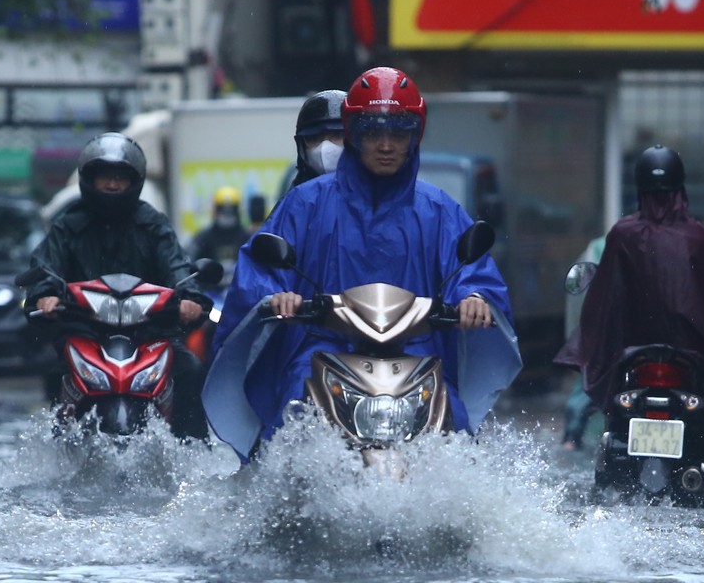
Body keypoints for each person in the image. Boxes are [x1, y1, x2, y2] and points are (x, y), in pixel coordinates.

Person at [206, 66, 515, 457]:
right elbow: (260, 268)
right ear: (353, 134)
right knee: (288, 421)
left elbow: (473, 270)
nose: (386, 145)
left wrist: (474, 297)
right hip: (319, 351)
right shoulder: (306, 202)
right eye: (373, 132)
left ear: (414, 135)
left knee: (457, 426)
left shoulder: (438, 209)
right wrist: (276, 295)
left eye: (398, 132)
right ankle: (273, 508)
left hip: (416, 354)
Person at [555, 145, 704, 421]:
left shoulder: (623, 234)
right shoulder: (701, 238)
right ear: (680, 187)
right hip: (691, 357)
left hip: (631, 354)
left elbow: (604, 301)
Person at [23, 133, 206, 327]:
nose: (112, 184)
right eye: (105, 176)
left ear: (134, 181)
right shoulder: (68, 226)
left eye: (120, 178)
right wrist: (45, 295)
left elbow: (176, 265)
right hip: (82, 331)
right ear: (90, 179)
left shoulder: (153, 224)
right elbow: (47, 266)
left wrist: (189, 297)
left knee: (187, 358)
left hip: (149, 332)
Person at [287, 89, 347, 194]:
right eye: (314, 138)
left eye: (338, 135)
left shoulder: (378, 194)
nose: (324, 148)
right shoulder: (295, 201)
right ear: (301, 147)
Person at [190, 186, 251, 270]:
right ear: (215, 210)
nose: (227, 216)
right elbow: (190, 259)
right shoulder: (203, 238)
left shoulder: (247, 238)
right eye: (223, 211)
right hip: (209, 282)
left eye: (231, 211)